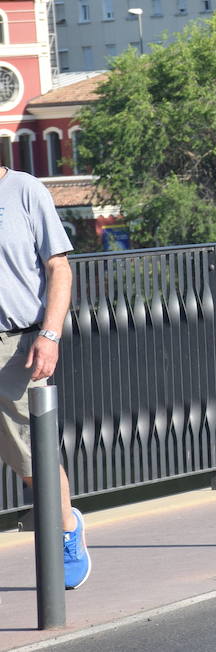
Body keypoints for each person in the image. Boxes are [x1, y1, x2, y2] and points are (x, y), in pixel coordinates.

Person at [0, 163, 91, 589]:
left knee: (30, 459)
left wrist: (49, 334)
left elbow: (59, 268)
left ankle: (65, 531)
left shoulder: (24, 190)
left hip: (15, 347)